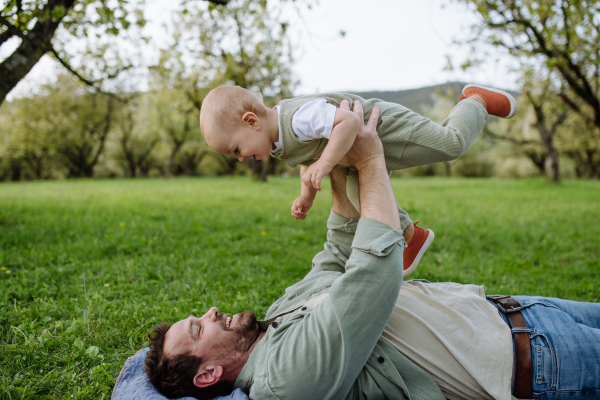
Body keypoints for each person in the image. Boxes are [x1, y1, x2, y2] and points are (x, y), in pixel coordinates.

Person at [147, 101, 600, 400]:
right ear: (206, 375)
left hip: (515, 310)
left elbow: (337, 255)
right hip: (539, 361)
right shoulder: (282, 378)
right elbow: (372, 274)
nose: (208, 311)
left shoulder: (277, 315)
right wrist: (368, 161)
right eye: (198, 327)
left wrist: (338, 182)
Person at [199, 84, 517, 277]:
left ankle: (475, 100)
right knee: (357, 194)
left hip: (383, 128)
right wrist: (306, 195)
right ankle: (412, 235)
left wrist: (325, 163)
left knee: (451, 144)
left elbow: (348, 120)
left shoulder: (295, 118)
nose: (240, 158)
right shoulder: (278, 140)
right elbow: (307, 159)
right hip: (357, 154)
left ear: (251, 121)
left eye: (236, 149)